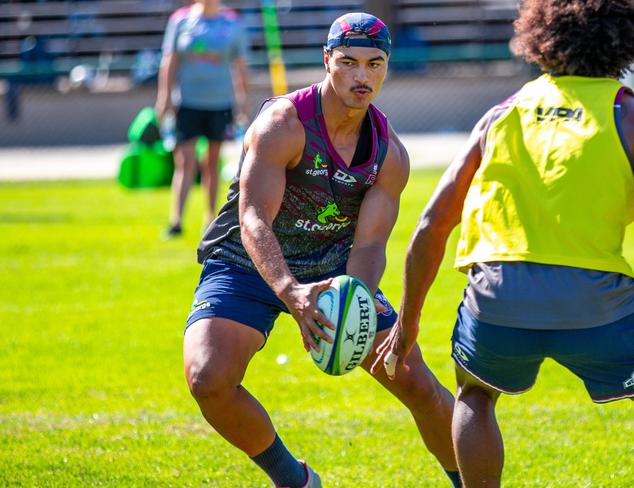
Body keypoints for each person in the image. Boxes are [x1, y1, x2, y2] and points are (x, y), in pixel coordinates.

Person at [182, 12, 462, 488]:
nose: (362, 76)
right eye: (349, 62)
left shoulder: (388, 152)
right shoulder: (284, 124)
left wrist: (358, 293)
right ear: (327, 60)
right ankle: (295, 480)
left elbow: (371, 242)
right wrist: (291, 291)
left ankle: (468, 482)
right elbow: (253, 219)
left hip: (333, 268)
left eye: (375, 64)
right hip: (246, 262)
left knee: (417, 383)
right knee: (208, 377)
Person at [372, 1, 634, 486]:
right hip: (597, 300)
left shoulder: (502, 113)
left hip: (498, 295)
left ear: (540, 39)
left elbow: (431, 225)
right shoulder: (625, 111)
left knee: (475, 395)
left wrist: (407, 326)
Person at [155, 0, 249, 238]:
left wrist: (242, 102)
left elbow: (240, 65)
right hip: (187, 102)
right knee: (185, 162)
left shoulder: (231, 22)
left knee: (212, 162)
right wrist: (164, 97)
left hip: (220, 103)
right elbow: (170, 60)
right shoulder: (181, 20)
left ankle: (210, 219)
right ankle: (176, 220)